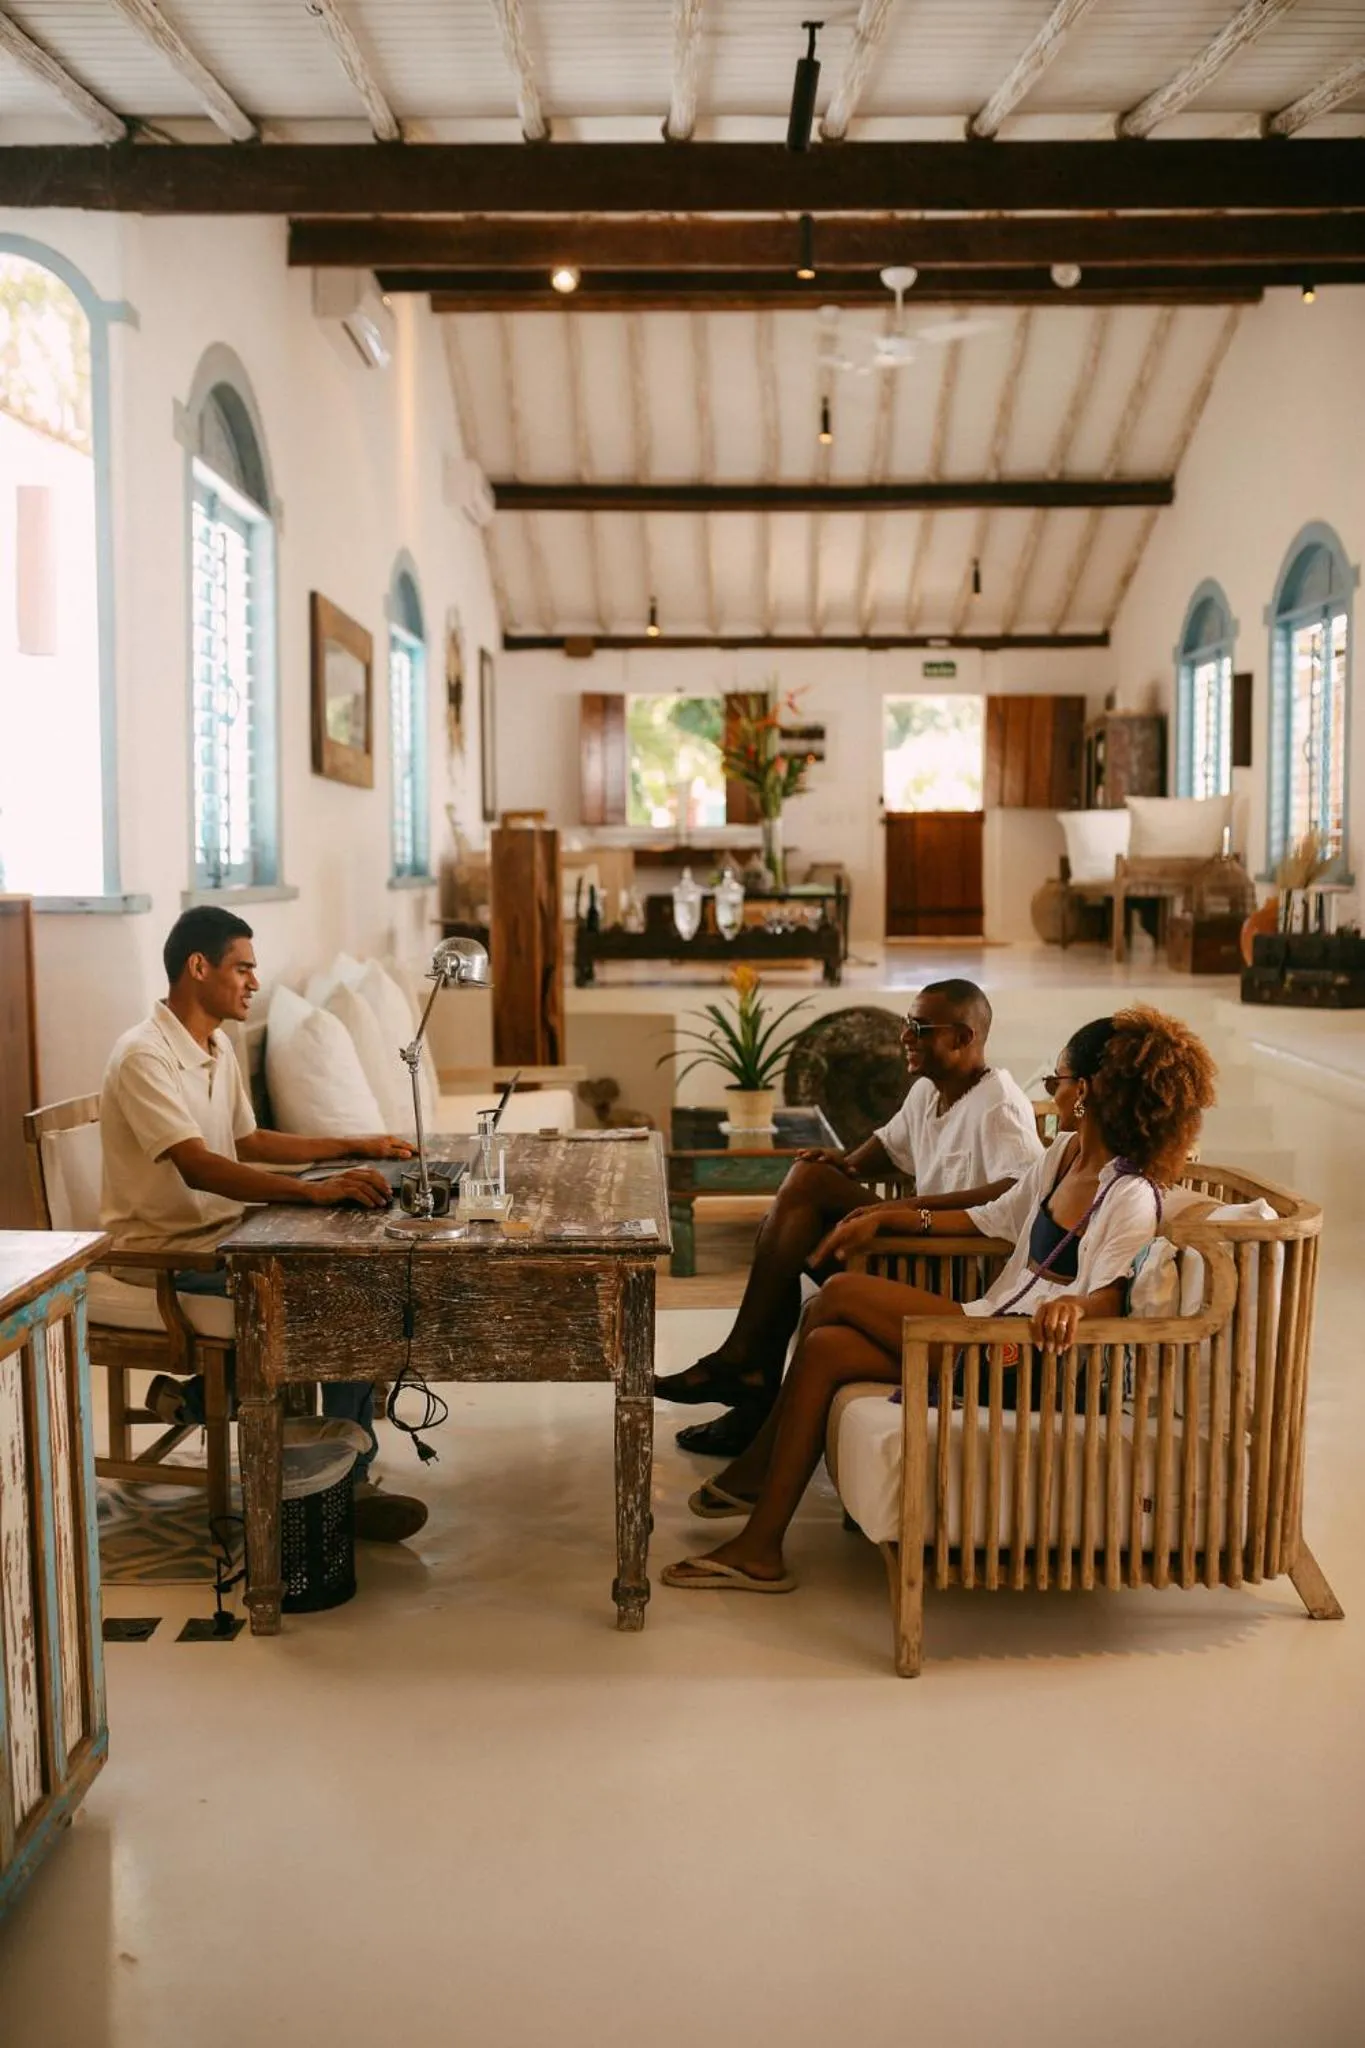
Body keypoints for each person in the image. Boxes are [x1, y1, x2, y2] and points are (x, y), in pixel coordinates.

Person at [661, 1006, 1216, 1594]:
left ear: (1087, 1091)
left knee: (840, 1291)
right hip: (990, 1329)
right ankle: (761, 1548)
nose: (1050, 1093)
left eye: (1056, 1081)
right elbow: (991, 1217)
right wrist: (891, 1216)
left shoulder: (1130, 1194)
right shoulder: (1063, 1158)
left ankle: (756, 1470)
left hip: (1038, 1362)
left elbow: (1111, 1293)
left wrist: (1074, 1309)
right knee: (825, 1345)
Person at [101, 906, 428, 1544]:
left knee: (353, 1283)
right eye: (243, 968)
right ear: (199, 967)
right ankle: (346, 1485)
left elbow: (247, 1141)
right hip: (166, 1259)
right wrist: (313, 1194)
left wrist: (354, 1144)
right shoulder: (144, 1055)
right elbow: (199, 1166)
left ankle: (209, 1405)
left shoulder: (216, 1044)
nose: (254, 982)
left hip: (226, 1242)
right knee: (337, 1304)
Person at [654, 978, 1044, 1457]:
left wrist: (902, 1208)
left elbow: (1020, 1191)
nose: (905, 1036)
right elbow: (889, 1146)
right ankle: (750, 1376)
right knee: (806, 1186)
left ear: (964, 1037)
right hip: (919, 1254)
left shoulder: (1000, 1104)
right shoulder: (929, 1091)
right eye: (908, 1024)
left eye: (920, 1028)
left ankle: (746, 1370)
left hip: (954, 1275)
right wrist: (847, 1165)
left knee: (806, 1192)